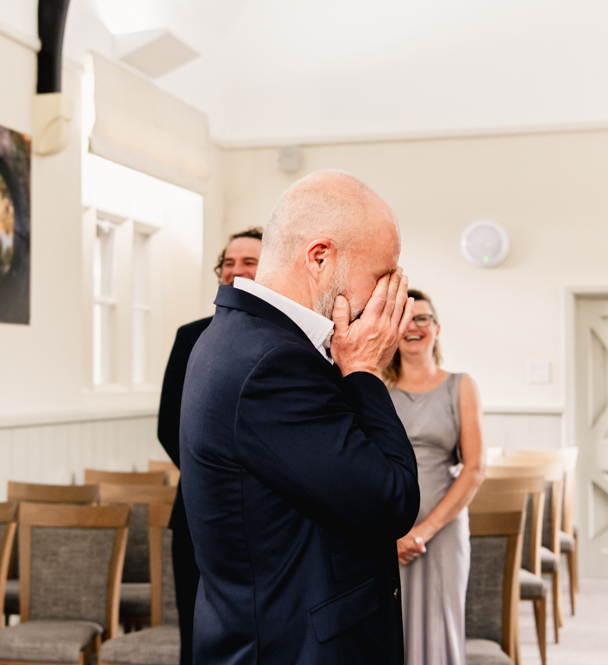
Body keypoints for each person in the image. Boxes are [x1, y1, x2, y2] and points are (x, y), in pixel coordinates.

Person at [180, 170, 421, 665]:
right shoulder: (273, 361)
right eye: (382, 276)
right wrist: (368, 371)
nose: (389, 297)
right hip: (292, 647)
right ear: (320, 257)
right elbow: (390, 501)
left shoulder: (240, 336)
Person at [157, 227, 263, 665]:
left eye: (249, 262)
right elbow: (170, 426)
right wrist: (222, 482)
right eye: (228, 263)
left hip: (267, 519)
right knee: (199, 634)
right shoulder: (191, 336)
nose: (235, 271)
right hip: (200, 510)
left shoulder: (294, 340)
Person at [386, 290, 486, 665]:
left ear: (437, 328)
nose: (413, 326)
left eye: (422, 318)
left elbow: (475, 468)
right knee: (389, 626)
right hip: (385, 532)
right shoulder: (376, 389)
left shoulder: (461, 386)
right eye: (405, 319)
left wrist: (422, 531)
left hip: (441, 533)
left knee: (441, 626)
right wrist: (391, 535)